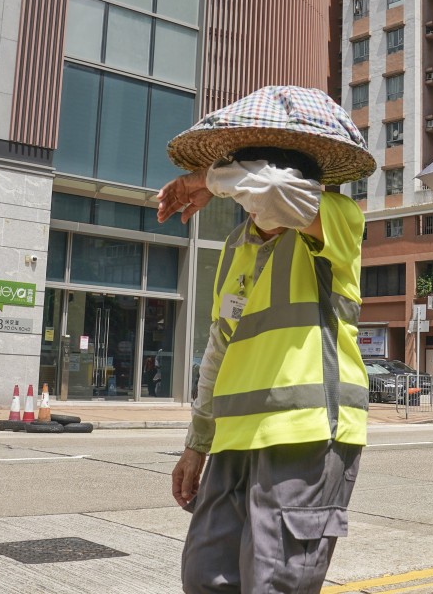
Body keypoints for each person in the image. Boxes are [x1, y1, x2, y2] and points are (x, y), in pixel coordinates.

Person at [160, 86, 376, 593]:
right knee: (205, 579)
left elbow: (282, 194)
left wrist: (206, 181)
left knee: (272, 584)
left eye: (246, 178)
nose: (246, 196)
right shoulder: (238, 245)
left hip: (304, 436)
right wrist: (196, 444)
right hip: (234, 442)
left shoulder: (336, 220)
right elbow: (219, 350)